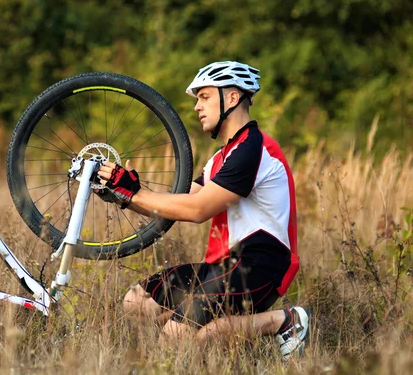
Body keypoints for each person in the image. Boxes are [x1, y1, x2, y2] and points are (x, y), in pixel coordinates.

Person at [96, 61, 311, 360]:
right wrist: (125, 195)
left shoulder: (252, 149)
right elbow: (176, 204)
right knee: (136, 302)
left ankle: (285, 321)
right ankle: (206, 332)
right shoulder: (221, 158)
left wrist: (137, 193)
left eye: (204, 96)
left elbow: (197, 210)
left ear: (233, 98)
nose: (197, 106)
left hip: (260, 266)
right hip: (225, 266)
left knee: (181, 337)